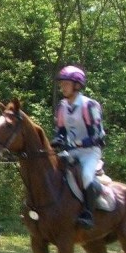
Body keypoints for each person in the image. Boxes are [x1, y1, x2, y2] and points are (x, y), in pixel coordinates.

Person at [51, 65, 105, 230]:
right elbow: (60, 131)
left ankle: (88, 213)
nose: (62, 87)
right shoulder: (62, 106)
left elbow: (97, 136)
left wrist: (74, 143)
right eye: (62, 84)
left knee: (86, 176)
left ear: (77, 85)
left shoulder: (89, 105)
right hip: (71, 151)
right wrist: (57, 140)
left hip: (90, 152)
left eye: (66, 83)